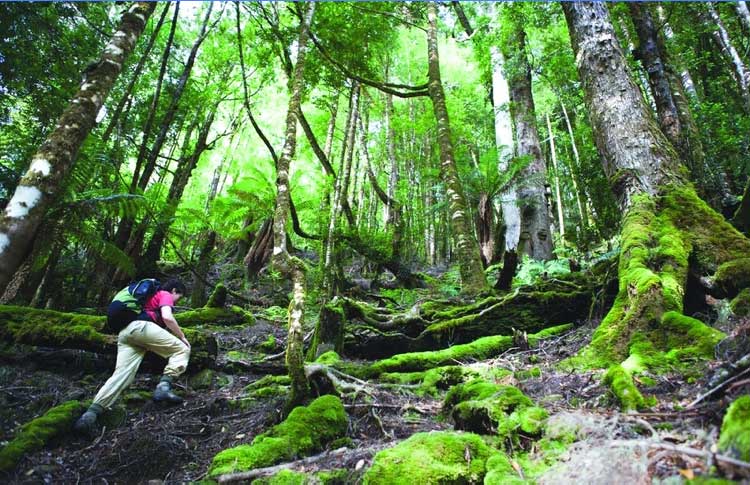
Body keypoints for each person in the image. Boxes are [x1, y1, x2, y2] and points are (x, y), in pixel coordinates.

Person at [74, 279, 191, 433]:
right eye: (179, 297)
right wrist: (182, 337)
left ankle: (91, 413)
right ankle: (164, 386)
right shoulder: (165, 294)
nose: (176, 301)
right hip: (140, 328)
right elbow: (167, 317)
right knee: (182, 349)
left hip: (125, 333)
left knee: (122, 375)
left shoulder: (148, 300)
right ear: (175, 291)